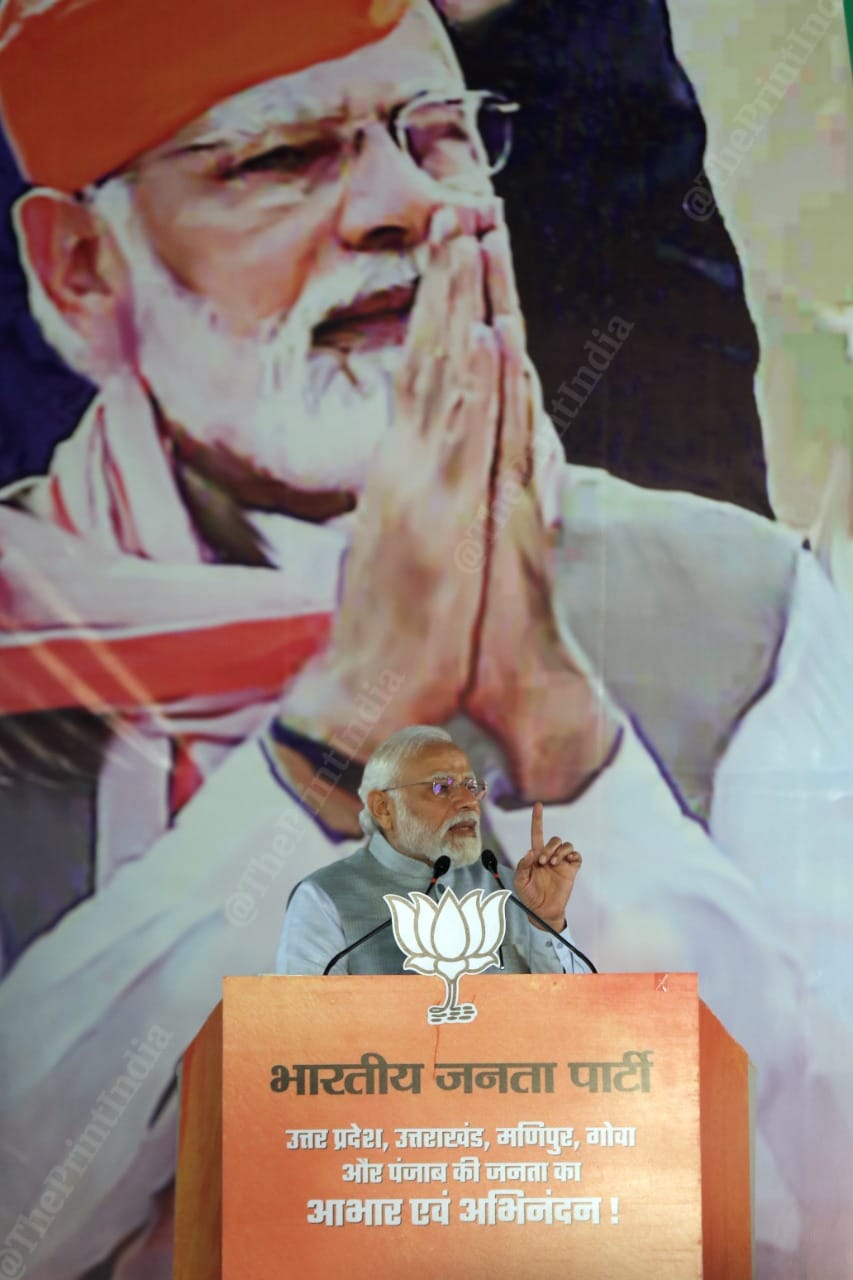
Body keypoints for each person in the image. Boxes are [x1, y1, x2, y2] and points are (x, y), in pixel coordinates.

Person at [0, 2, 851, 1277]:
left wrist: (570, 743)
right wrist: (332, 729)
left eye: (439, 134)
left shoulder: (741, 606)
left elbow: (826, 1206)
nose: (405, 205)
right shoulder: (31, 639)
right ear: (81, 266)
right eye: (280, 158)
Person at [277, 725, 590, 975]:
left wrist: (548, 921)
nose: (467, 802)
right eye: (440, 787)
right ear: (383, 807)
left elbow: (574, 1012)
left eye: (471, 786)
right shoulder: (324, 898)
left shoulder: (510, 889)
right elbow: (302, 1027)